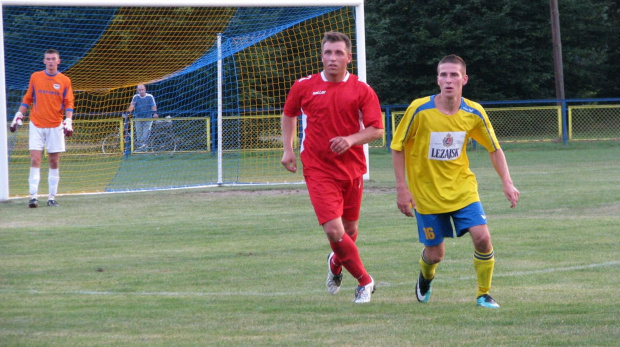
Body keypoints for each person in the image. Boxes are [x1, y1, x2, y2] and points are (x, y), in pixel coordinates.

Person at [390, 54, 520, 308]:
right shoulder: (419, 110)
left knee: (482, 237)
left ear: (464, 79)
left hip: (462, 189)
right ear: (437, 79)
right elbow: (398, 147)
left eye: (453, 75)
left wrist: (507, 181)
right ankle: (426, 277)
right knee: (436, 254)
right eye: (443, 75)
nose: (448, 80)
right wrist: (401, 188)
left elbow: (494, 148)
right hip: (426, 195)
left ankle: (483, 293)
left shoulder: (474, 112)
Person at [281, 31, 384, 304]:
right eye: (328, 52)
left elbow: (376, 130)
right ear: (321, 55)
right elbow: (289, 113)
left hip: (352, 169)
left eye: (339, 53)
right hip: (318, 169)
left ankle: (336, 262)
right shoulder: (304, 86)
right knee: (334, 232)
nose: (332, 58)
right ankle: (365, 281)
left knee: (348, 233)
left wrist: (351, 140)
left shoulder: (362, 90)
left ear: (349, 57)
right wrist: (288, 149)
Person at [9, 49, 75, 208]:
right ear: (44, 61)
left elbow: (69, 103)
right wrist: (19, 113)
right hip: (36, 124)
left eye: (53, 59)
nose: (50, 61)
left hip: (55, 125)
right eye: (48, 59)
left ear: (58, 61)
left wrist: (68, 120)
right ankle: (33, 196)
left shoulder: (65, 80)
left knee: (54, 161)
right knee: (35, 159)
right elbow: (28, 98)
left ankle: (52, 198)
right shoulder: (36, 77)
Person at [125, 84, 158, 149]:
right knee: (139, 134)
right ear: (137, 91)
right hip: (138, 118)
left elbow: (153, 106)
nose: (141, 91)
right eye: (139, 90)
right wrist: (128, 113)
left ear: (145, 90)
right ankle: (140, 149)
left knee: (145, 134)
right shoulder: (135, 97)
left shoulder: (150, 97)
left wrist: (154, 113)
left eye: (142, 89)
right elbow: (132, 106)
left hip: (148, 118)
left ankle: (144, 148)